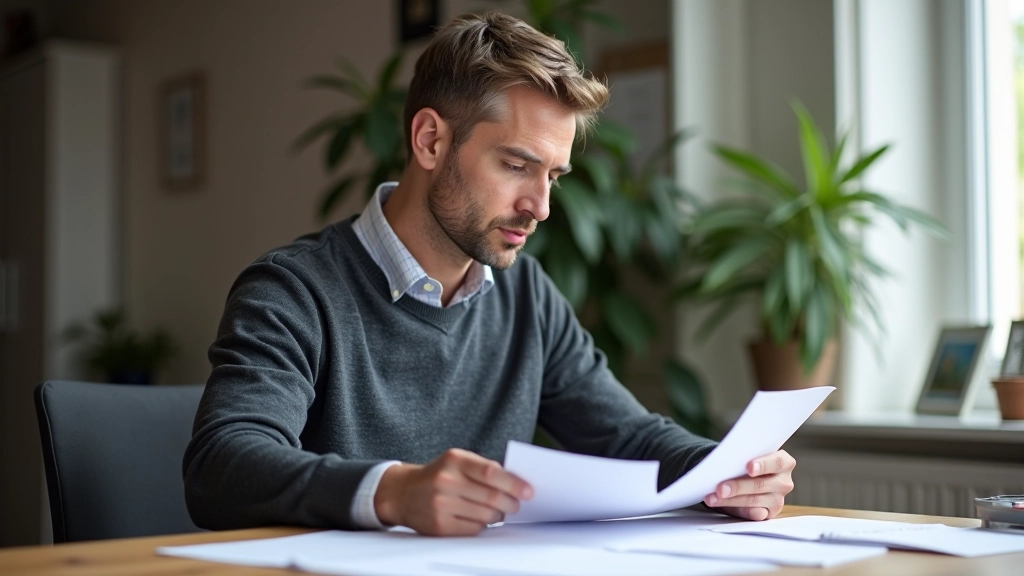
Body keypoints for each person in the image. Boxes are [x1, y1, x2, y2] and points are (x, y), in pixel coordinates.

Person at [183, 11, 795, 537]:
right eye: (516, 165)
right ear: (429, 140)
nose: (541, 206)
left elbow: (627, 436)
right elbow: (223, 465)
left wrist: (728, 473)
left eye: (553, 176)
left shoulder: (529, 297)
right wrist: (393, 492)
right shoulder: (293, 291)